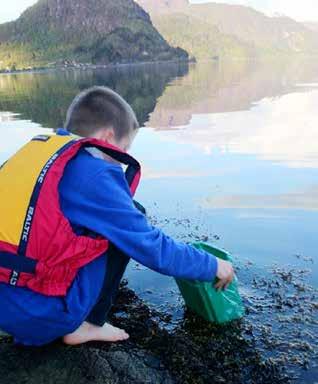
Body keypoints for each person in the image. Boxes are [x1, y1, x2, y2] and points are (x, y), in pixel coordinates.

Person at [0, 86, 234, 347]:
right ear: (108, 137)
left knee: (118, 217)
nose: (119, 163)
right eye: (123, 150)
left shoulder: (39, 153)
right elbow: (151, 246)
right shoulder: (95, 173)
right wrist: (212, 265)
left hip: (8, 302)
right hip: (39, 314)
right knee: (130, 220)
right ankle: (87, 324)